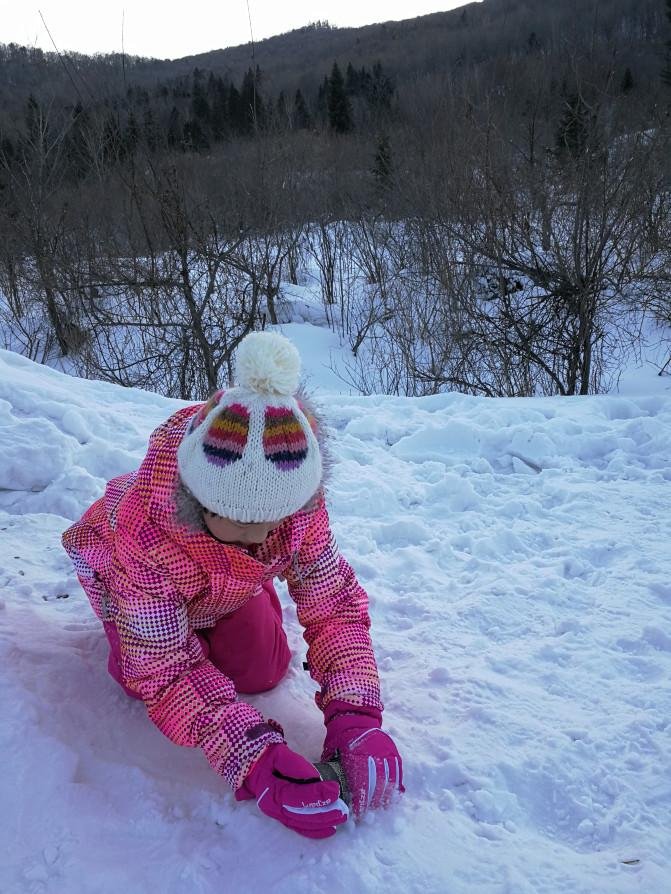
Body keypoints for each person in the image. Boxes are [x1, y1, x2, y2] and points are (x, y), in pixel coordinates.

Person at [62, 330, 404, 839]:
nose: (264, 538)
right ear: (200, 501)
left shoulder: (296, 503)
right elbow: (166, 669)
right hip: (131, 586)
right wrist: (253, 756)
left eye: (273, 524)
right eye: (243, 529)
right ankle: (160, 625)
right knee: (139, 673)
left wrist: (356, 712)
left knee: (263, 668)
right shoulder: (143, 531)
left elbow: (334, 605)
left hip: (219, 584)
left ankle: (230, 598)